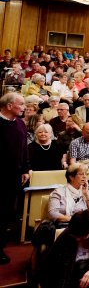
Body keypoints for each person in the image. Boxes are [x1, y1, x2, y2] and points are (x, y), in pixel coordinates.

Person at [0, 93, 29, 264]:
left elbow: (24, 147)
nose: (24, 107)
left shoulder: (20, 124)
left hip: (13, 177)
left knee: (6, 212)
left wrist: (26, 167)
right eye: (22, 104)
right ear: (9, 106)